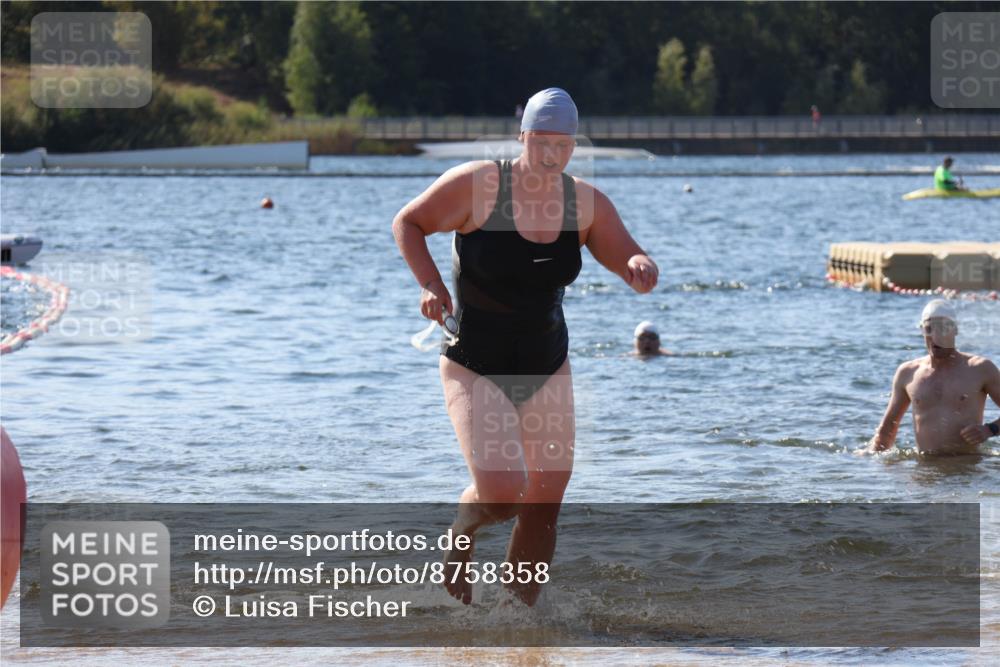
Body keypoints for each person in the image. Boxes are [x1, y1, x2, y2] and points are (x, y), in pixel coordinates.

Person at [392, 87, 659, 606]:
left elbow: (623, 251)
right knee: (503, 490)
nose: (552, 154)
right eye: (542, 142)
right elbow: (409, 222)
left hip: (546, 362)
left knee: (543, 502)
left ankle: (522, 628)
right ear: (523, 137)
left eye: (564, 145)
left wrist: (637, 266)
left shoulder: (584, 202)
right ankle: (460, 535)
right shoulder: (480, 185)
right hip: (474, 360)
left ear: (573, 145)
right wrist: (429, 285)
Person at [864, 300, 1000, 455]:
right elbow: (887, 429)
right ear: (922, 331)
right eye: (929, 329)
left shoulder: (980, 369)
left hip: (966, 472)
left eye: (943, 328)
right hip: (925, 472)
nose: (936, 336)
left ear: (955, 330)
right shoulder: (908, 373)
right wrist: (868, 471)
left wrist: (990, 429)